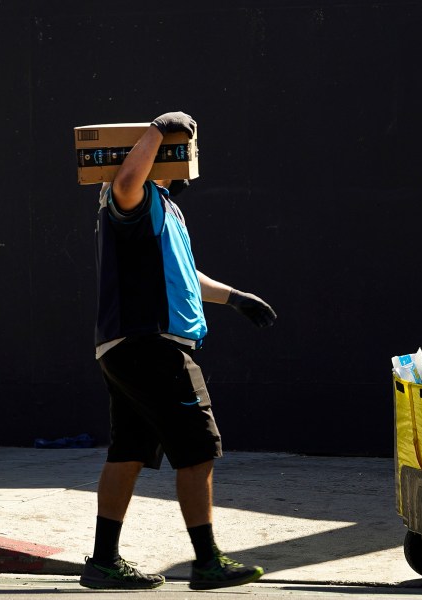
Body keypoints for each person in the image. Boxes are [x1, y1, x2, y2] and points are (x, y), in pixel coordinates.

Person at [79, 111, 277, 591]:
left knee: (127, 452)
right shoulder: (133, 197)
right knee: (197, 449)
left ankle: (103, 561)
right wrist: (156, 129)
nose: (188, 158)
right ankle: (207, 561)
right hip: (152, 346)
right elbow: (128, 177)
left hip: (126, 347)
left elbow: (186, 275)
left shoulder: (163, 206)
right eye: (181, 149)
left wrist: (235, 298)